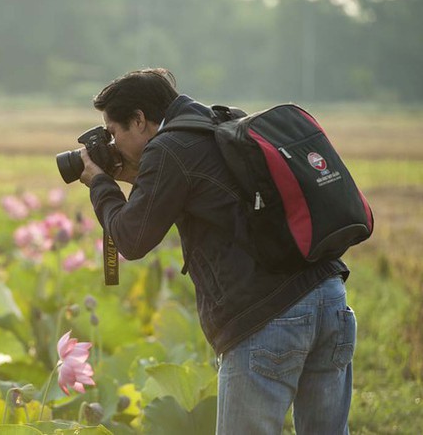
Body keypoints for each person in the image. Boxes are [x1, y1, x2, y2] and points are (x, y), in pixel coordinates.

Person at [78, 68, 356, 434]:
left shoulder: (170, 148)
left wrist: (99, 183)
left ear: (140, 120)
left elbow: (131, 239)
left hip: (269, 319)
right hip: (330, 300)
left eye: (113, 133)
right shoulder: (217, 124)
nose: (112, 146)